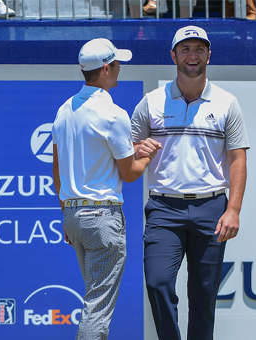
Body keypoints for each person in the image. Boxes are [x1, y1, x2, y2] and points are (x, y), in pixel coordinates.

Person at [131, 25, 250, 340]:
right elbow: (126, 150)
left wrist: (233, 209)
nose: (192, 55)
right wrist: (135, 149)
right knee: (157, 282)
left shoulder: (227, 103)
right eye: (185, 49)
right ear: (173, 55)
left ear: (209, 54)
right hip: (163, 208)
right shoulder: (151, 101)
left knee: (204, 293)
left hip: (212, 208)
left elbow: (238, 159)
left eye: (199, 49)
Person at [52, 38, 161, 340]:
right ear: (106, 68)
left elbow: (58, 170)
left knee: (94, 301)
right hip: (101, 217)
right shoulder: (113, 114)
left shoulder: (64, 110)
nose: (120, 68)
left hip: (74, 216)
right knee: (97, 307)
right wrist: (148, 155)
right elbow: (129, 173)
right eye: (117, 63)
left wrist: (67, 213)